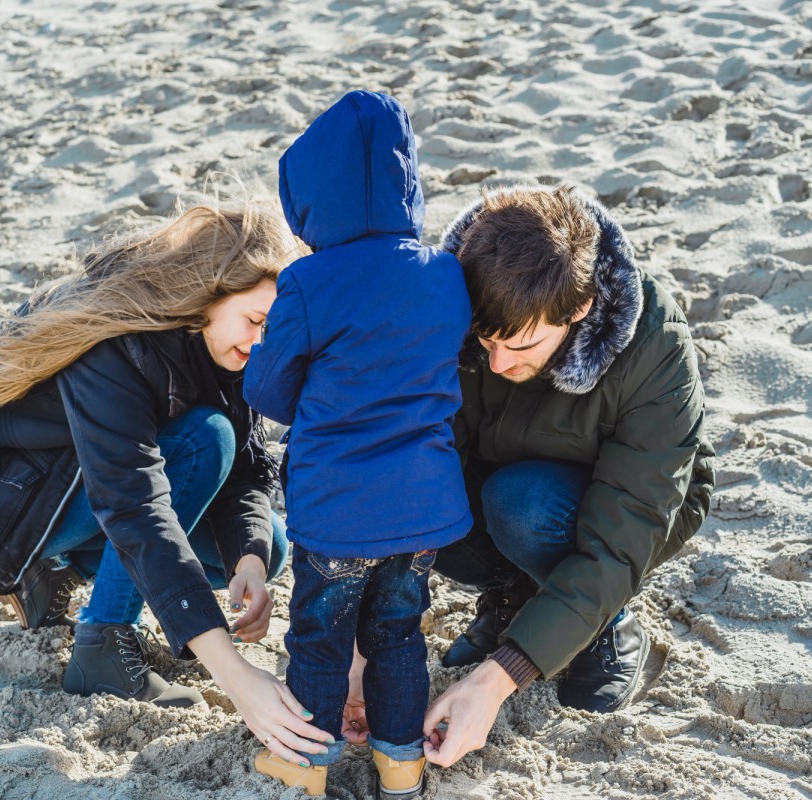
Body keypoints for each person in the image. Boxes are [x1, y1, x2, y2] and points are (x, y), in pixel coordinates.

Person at [0, 202, 333, 760]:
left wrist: (249, 558)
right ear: (209, 292)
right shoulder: (119, 340)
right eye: (256, 321)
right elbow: (135, 506)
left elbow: (251, 467)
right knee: (203, 440)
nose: (263, 343)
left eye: (275, 329)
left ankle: (54, 570)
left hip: (68, 485)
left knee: (270, 545)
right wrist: (235, 677)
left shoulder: (224, 345)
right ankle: (103, 649)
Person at [401, 184, 716, 766]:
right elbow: (414, 453)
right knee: (419, 489)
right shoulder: (457, 301)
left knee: (523, 505)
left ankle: (606, 624)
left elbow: (622, 537)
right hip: (498, 483)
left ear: (580, 309)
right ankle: (515, 596)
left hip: (618, 513)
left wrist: (497, 679)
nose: (495, 364)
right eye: (485, 342)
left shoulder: (656, 346)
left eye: (519, 345)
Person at [244, 91, 472, 799]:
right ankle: (400, 763)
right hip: (422, 509)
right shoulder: (445, 274)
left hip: (338, 510)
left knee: (319, 638)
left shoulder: (309, 280)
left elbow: (268, 389)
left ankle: (303, 766)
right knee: (398, 634)